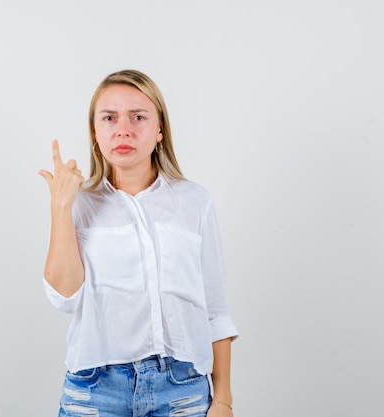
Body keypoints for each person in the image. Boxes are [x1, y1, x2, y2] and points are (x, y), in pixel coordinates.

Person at [38, 69, 238, 417]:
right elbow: (64, 296)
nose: (123, 129)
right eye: (110, 118)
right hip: (95, 392)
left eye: (138, 117)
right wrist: (61, 206)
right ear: (95, 133)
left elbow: (216, 312)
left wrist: (223, 399)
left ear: (160, 130)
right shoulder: (79, 203)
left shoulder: (194, 203)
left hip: (181, 391)